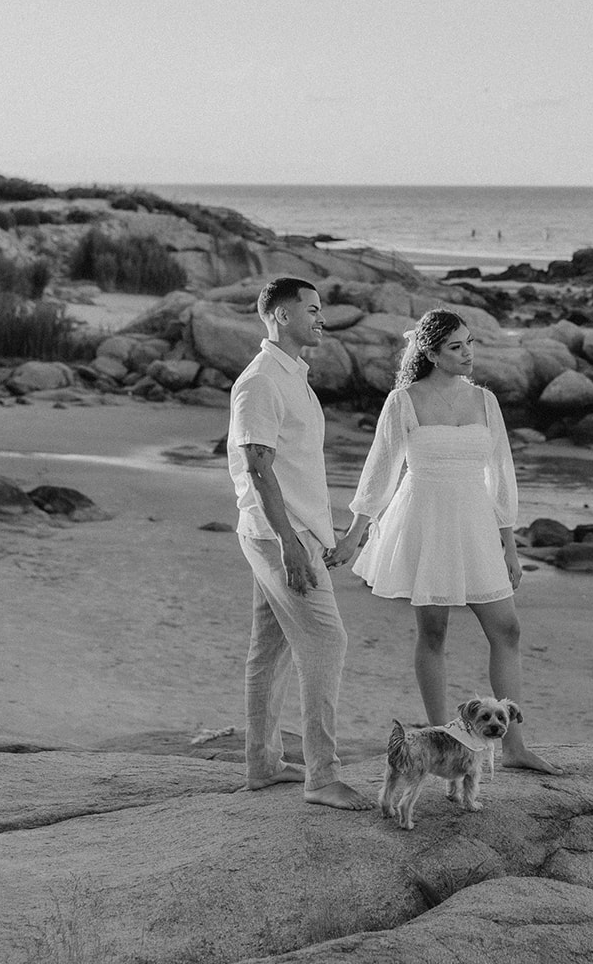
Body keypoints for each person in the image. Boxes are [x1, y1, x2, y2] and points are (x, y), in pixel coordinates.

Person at [327, 309, 555, 772]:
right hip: (425, 520)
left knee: (507, 628)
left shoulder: (485, 401)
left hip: (474, 522)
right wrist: (356, 532)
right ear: (430, 353)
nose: (468, 353)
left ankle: (514, 748)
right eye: (456, 347)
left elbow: (501, 473)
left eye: (470, 343)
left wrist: (508, 543)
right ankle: (442, 743)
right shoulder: (403, 400)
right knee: (434, 631)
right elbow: (382, 468)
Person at [227, 276, 365, 808]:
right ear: (281, 316)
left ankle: (262, 764)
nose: (320, 317)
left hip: (283, 529)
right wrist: (290, 542)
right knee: (327, 642)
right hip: (281, 533)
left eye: (321, 308)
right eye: (310, 309)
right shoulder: (261, 380)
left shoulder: (292, 376)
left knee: (270, 651)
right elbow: (259, 465)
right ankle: (322, 777)